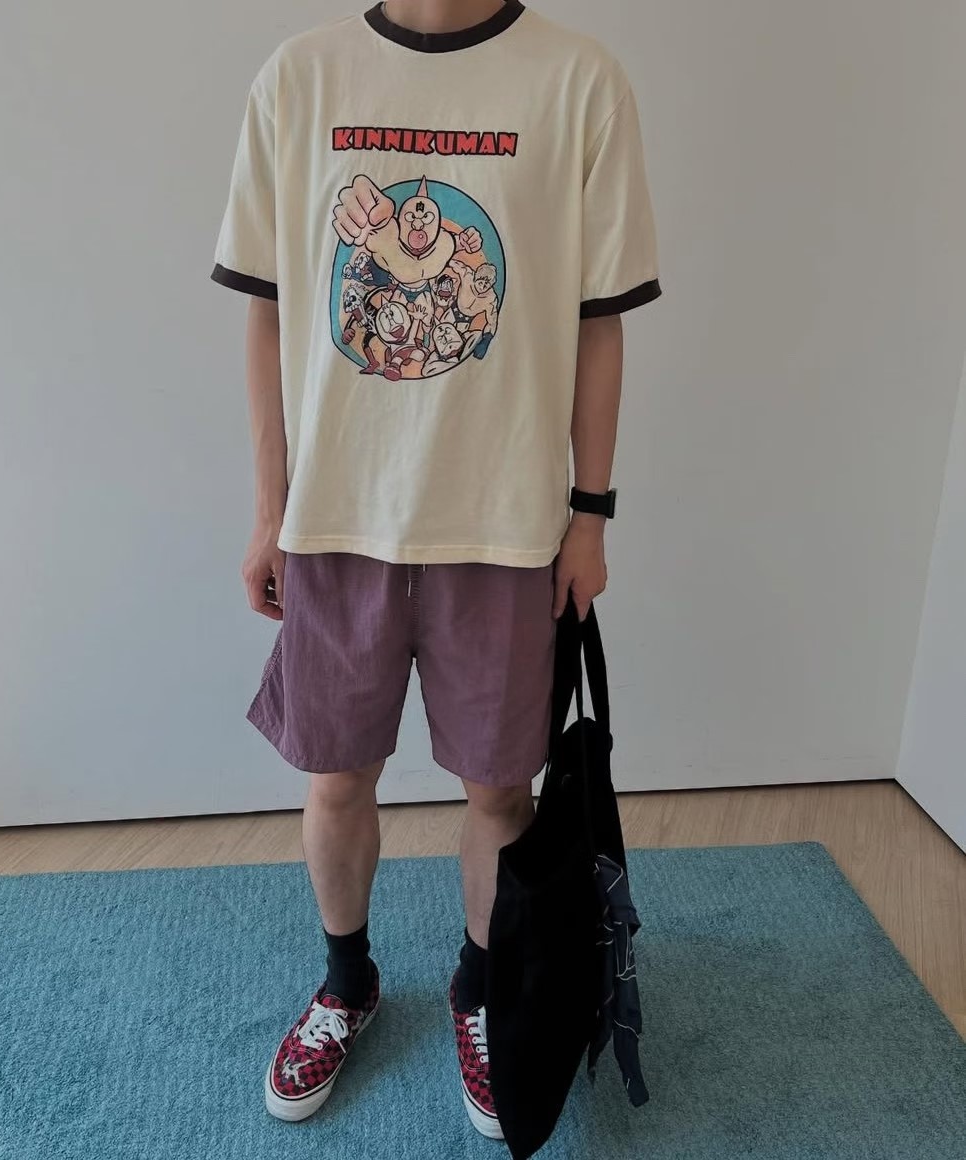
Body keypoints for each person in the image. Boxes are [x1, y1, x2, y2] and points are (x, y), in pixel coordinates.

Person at [211, 0, 660, 1139]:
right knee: (335, 777)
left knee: (501, 792)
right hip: (337, 521)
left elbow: (600, 321)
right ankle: (346, 982)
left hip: (503, 524)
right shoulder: (300, 78)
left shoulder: (578, 81)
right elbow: (268, 311)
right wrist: (269, 513)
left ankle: (477, 988)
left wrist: (591, 514)